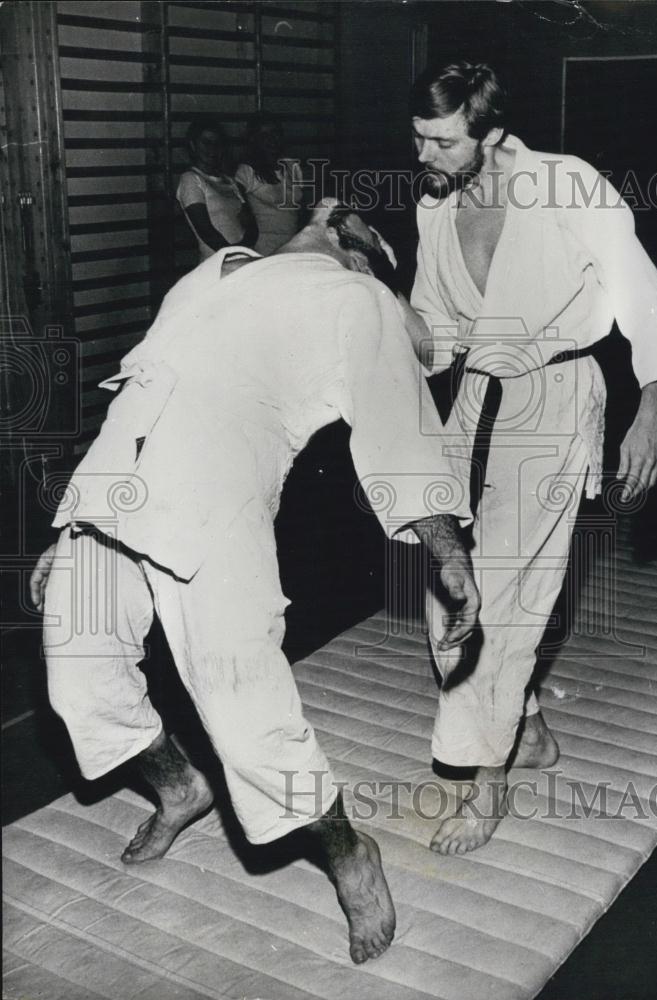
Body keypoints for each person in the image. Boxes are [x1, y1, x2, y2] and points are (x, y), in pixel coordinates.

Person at [29, 202, 480, 964]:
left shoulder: (356, 299)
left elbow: (396, 429)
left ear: (362, 250)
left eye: (357, 223)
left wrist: (444, 546)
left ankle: (348, 854)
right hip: (112, 497)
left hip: (218, 507)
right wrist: (68, 525)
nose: (334, 211)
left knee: (248, 723)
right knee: (79, 681)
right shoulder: (216, 271)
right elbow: (136, 394)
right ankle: (180, 788)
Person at [399, 60, 657, 855]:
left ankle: (484, 781)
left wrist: (654, 410)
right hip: (477, 398)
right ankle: (523, 728)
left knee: (510, 595)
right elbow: (435, 337)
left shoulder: (568, 185)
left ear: (491, 133)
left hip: (559, 395)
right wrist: (371, 286)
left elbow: (643, 293)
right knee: (446, 578)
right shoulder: (436, 204)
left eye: (441, 140)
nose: (424, 154)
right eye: (419, 137)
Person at [176, 117, 257, 261]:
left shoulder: (230, 182)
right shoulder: (190, 179)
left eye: (217, 143)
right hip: (217, 263)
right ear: (193, 146)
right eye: (206, 142)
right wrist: (233, 257)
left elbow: (251, 226)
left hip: (242, 261)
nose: (212, 148)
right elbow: (206, 231)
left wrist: (244, 254)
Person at [235, 113, 303, 255]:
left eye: (275, 133)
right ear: (254, 140)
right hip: (264, 252)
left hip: (293, 249)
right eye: (264, 135)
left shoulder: (293, 166)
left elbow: (303, 210)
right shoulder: (246, 172)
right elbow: (237, 213)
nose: (271, 139)